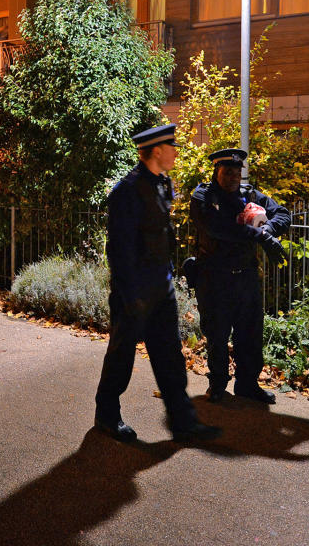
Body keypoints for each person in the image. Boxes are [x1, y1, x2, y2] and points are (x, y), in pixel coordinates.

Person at [94, 124, 221, 443]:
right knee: (121, 357)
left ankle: (183, 422)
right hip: (134, 293)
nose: (177, 151)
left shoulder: (164, 185)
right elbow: (119, 249)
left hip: (160, 290)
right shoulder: (127, 190)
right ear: (156, 151)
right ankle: (107, 416)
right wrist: (130, 295)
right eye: (172, 146)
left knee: (170, 357)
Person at [189, 148, 291, 404]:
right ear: (216, 171)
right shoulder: (203, 196)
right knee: (218, 335)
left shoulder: (249, 194)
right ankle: (217, 385)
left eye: (237, 171)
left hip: (245, 277)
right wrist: (262, 237)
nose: (234, 176)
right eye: (228, 172)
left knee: (250, 333)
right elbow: (219, 228)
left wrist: (267, 227)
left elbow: (283, 213)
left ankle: (247, 385)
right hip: (215, 279)